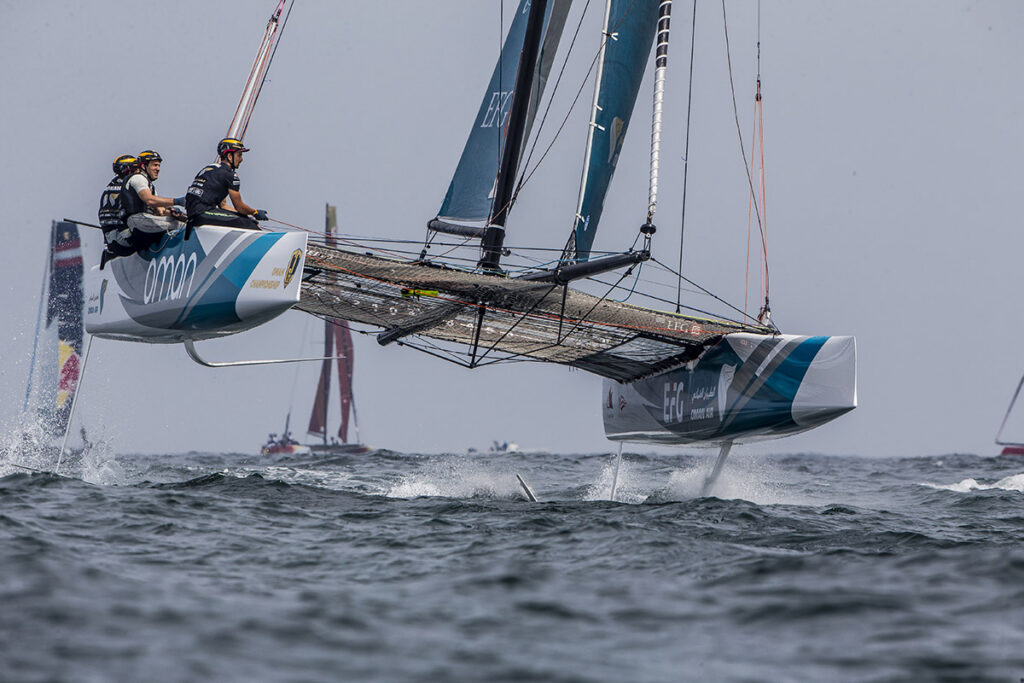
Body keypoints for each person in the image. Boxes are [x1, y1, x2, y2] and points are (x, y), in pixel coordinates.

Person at [185, 138, 268, 230]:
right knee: (249, 224)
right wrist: (255, 212)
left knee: (244, 219)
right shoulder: (230, 175)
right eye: (239, 155)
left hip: (194, 213)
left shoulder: (210, 169)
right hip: (202, 213)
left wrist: (245, 216)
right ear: (229, 156)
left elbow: (223, 206)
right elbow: (239, 207)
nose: (241, 160)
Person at [115, 149, 185, 252]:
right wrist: (178, 201)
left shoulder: (149, 185)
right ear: (143, 166)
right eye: (154, 165)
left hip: (142, 222)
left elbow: (160, 210)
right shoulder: (138, 178)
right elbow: (149, 200)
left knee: (181, 222)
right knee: (183, 226)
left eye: (159, 166)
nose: (158, 169)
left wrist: (176, 214)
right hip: (137, 221)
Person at [98, 154, 139, 268]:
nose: (139, 171)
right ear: (128, 170)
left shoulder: (109, 188)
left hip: (110, 243)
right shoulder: (127, 188)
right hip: (123, 243)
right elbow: (123, 217)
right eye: (136, 168)